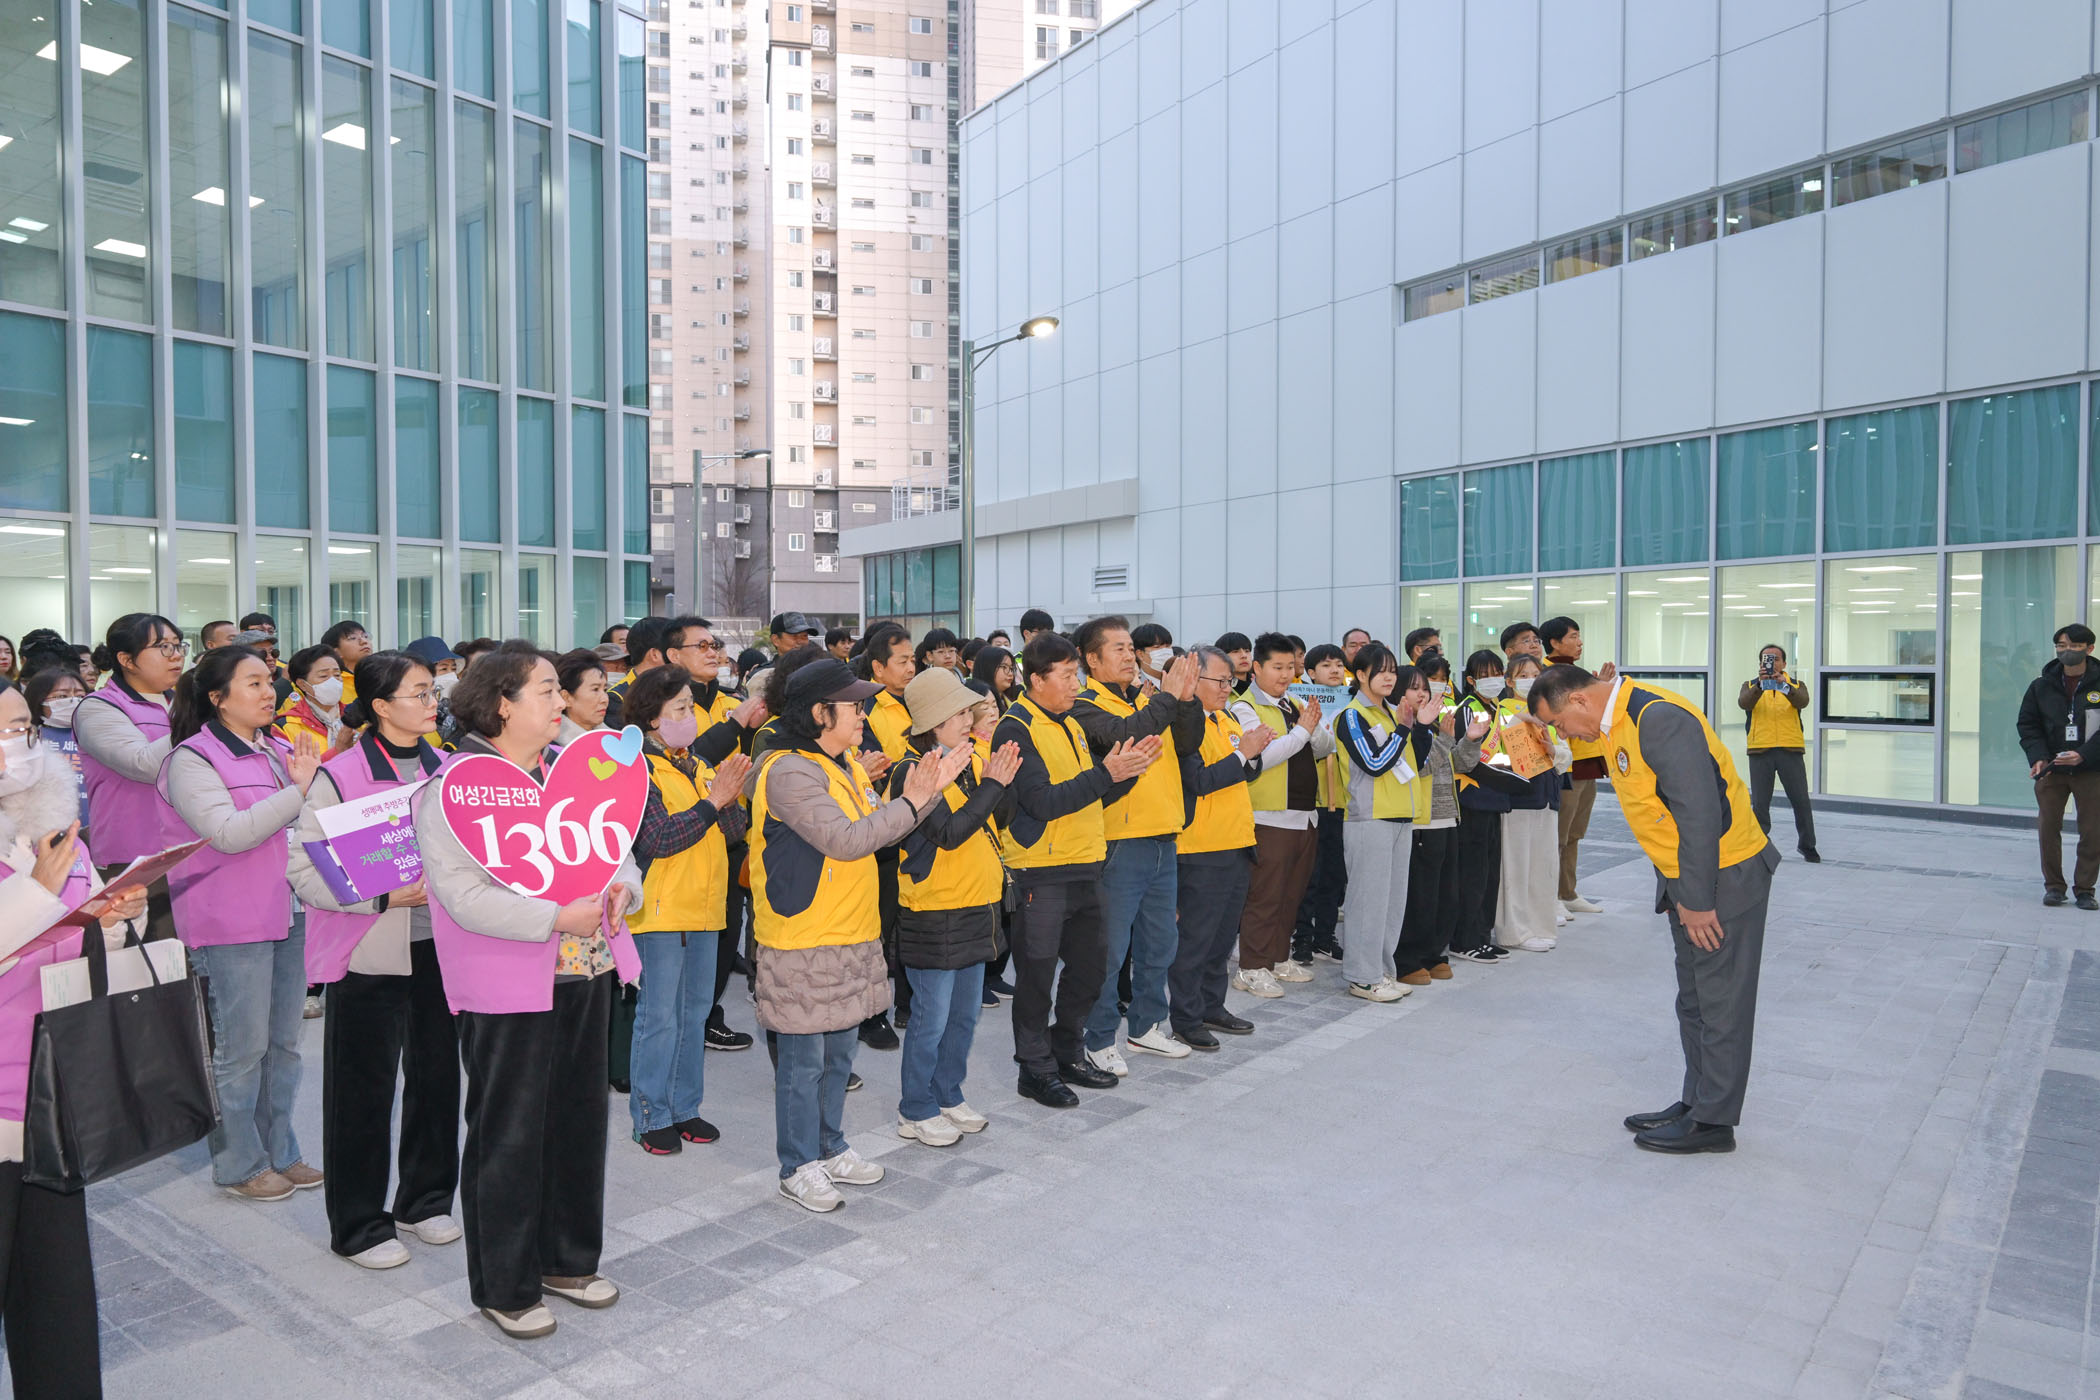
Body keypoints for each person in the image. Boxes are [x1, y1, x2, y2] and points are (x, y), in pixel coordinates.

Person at [413, 644, 644, 1339]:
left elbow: (617, 850)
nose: (561, 701)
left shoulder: (569, 768)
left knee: (579, 1122)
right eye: (546, 690)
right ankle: (505, 1285)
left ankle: (567, 1260)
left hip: (586, 969)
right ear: (502, 704)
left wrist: (623, 891)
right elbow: (460, 896)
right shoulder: (453, 787)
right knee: (508, 1133)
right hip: (507, 983)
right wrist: (554, 917)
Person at [1529, 665, 1780, 1154]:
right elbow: (1647, 801)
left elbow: (1701, 815)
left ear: (1578, 701)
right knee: (1695, 999)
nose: (1564, 733)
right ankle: (1697, 1102)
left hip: (1722, 877)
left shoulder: (1656, 717)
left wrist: (1698, 902)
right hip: (1688, 877)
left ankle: (1714, 1122)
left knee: (1721, 1002)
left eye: (1558, 723)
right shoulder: (1615, 721)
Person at [748, 659, 963, 1210]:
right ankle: (798, 1165)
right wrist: (916, 798)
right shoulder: (790, 771)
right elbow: (846, 840)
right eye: (854, 706)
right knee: (804, 1062)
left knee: (839, 1055)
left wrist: (925, 794)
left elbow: (880, 830)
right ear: (820, 713)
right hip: (803, 937)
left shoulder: (842, 765)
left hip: (850, 929)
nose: (863, 715)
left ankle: (829, 1146)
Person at [288, 652, 461, 1270]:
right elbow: (303, 869)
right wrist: (383, 897)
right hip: (369, 950)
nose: (432, 702)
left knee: (437, 1079)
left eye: (432, 691)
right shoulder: (339, 775)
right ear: (382, 706)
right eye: (419, 693)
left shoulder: (449, 768)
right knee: (363, 1090)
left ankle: (425, 1200)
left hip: (443, 948)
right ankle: (359, 1224)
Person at [0, 686, 150, 1396]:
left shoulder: (51, 823)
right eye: (1, 730)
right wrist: (37, 890)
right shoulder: (42, 856)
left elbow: (77, 936)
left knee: (54, 1297)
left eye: (22, 727)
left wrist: (115, 918)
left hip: (52, 1088)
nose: (17, 744)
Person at [161, 644, 326, 1200]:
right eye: (252, 683)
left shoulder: (277, 748)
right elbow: (229, 833)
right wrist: (298, 791)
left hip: (291, 909)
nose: (267, 692)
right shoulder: (192, 760)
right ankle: (238, 1162)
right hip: (232, 921)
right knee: (242, 1048)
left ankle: (281, 1151)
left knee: (284, 1044)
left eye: (268, 681)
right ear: (218, 697)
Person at [995, 633, 1159, 1107]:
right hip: (1040, 871)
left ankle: (1066, 1050)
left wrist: (1125, 773)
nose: (1075, 685)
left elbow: (1089, 795)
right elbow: (1043, 802)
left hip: (1086, 863)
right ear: (1036, 679)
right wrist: (1109, 773)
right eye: (1067, 676)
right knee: (1036, 979)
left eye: (1076, 675)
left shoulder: (1069, 723)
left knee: (1091, 970)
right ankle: (1034, 1068)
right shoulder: (1015, 727)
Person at [886, 669, 1020, 1145]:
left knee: (964, 1015)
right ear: (934, 720)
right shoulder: (912, 770)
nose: (971, 719)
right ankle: (915, 1107)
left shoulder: (967, 760)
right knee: (931, 1017)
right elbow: (948, 832)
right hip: (934, 910)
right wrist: (993, 785)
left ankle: (948, 1093)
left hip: (976, 904)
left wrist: (999, 781)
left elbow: (998, 819)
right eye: (961, 712)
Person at [625, 664, 752, 1154]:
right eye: (679, 708)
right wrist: (712, 803)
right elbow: (658, 838)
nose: (689, 717)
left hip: (705, 908)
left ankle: (684, 1108)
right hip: (661, 911)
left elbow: (733, 832)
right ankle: (650, 1114)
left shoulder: (696, 763)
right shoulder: (638, 768)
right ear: (652, 717)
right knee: (659, 1018)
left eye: (691, 708)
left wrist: (729, 797)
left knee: (694, 1014)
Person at [1071, 618, 1203, 1076]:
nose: (1130, 656)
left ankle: (1147, 1025)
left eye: (1132, 648)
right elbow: (1127, 733)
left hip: (1164, 834)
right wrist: (1168, 697)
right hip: (1119, 842)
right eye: (1119, 649)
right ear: (1092, 659)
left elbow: (1187, 742)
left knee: (1160, 943)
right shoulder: (1086, 705)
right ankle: (1098, 1037)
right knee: (1109, 950)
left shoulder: (1147, 700)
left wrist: (1186, 700)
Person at [1166, 647, 1271, 1049]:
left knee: (1222, 940)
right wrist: (1244, 752)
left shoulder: (1226, 718)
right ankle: (1186, 1018)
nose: (1228, 688)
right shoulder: (1184, 724)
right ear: (1193, 679)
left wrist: (1252, 752)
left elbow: (1246, 771)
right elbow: (1198, 781)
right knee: (1195, 940)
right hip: (1201, 847)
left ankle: (1212, 1006)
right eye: (1221, 681)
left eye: (1231, 681)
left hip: (1237, 842)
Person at [1228, 633, 1330, 997]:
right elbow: (1261, 757)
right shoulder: (1244, 707)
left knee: (1291, 894)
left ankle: (1277, 957)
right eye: (1277, 667)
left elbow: (1326, 746)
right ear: (1257, 668)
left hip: (1304, 814)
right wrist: (1303, 731)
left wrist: (1311, 730)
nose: (1286, 675)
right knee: (1265, 896)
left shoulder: (1295, 703)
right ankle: (1251, 968)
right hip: (1268, 816)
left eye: (1290, 667)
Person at [73, 613, 186, 940]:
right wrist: (194, 720)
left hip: (192, 848)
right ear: (127, 660)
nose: (176, 655)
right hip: (137, 858)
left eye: (178, 646)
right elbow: (143, 764)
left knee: (197, 961)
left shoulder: (179, 703)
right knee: (156, 958)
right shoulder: (99, 708)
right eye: (163, 647)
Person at [1332, 644, 1433, 1001]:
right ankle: (1363, 977)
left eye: (1392, 670)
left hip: (1401, 815)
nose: (1390, 677)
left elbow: (1415, 761)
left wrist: (1419, 727)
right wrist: (1404, 729)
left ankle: (1382, 971)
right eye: (1381, 670)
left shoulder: (1392, 713)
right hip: (1369, 818)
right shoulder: (1352, 715)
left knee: (1391, 902)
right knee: (1367, 901)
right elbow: (1374, 763)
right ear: (1361, 675)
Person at [1396, 653, 1488, 985]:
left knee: (1446, 896)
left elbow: (1460, 764)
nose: (1423, 694)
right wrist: (1445, 739)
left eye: (1426, 688)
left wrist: (1470, 740)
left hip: (1448, 818)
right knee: (1421, 897)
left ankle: (1435, 953)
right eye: (1415, 688)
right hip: (1422, 821)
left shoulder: (1432, 724)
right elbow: (1419, 767)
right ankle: (1408, 959)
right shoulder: (1403, 726)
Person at [853, 622, 917, 1048]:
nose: (911, 668)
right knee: (879, 924)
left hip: (918, 823)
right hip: (882, 827)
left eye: (914, 660)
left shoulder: (917, 700)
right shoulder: (866, 709)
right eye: (903, 661)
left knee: (911, 918)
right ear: (878, 667)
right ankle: (870, 1014)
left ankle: (908, 1003)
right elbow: (876, 766)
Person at [2018, 623, 2100, 908]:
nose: (2067, 651)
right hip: (2052, 768)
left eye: (2074, 646)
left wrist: (2084, 755)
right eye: (2061, 646)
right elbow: (2028, 725)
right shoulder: (2041, 686)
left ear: (2089, 649)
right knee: (2048, 828)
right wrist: (2038, 756)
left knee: (2093, 830)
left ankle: (2085, 889)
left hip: (2091, 769)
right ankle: (2054, 886)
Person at [1491, 654, 1569, 953]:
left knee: (1543, 867)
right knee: (1516, 870)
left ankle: (1541, 926)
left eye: (1535, 674)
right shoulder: (1502, 711)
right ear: (1510, 681)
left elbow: (1566, 755)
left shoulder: (1549, 711)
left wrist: (1553, 750)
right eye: (1523, 675)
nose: (1530, 680)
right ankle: (1515, 931)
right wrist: (1519, 719)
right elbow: (1495, 751)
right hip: (1518, 800)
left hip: (1547, 799)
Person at [1539, 616, 1611, 914]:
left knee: (1575, 833)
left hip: (1588, 760)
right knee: (1558, 834)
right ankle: (1550, 896)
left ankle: (1568, 892)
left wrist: (1601, 688)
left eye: (1579, 636)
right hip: (1565, 764)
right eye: (1573, 637)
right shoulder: (1545, 675)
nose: (1579, 642)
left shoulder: (1577, 672)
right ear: (1555, 642)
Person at [1450, 652, 1518, 965]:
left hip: (1495, 798)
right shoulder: (1467, 708)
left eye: (1497, 672)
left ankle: (1481, 935)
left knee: (1490, 873)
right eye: (1485, 674)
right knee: (1473, 873)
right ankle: (1464, 939)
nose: (1493, 679)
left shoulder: (1499, 708)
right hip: (1473, 798)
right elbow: (1464, 758)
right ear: (1470, 680)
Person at [1291, 642, 1350, 966]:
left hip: (1342, 801)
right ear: (1311, 673)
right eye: (1326, 665)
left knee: (1334, 875)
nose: (1335, 670)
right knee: (1308, 875)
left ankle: (1325, 937)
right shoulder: (1300, 702)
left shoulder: (1352, 702)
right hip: (1311, 800)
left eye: (1339, 664)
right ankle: (1302, 937)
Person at [1739, 644, 1820, 865]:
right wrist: (1760, 685)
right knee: (1760, 804)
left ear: (1784, 663)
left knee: (1801, 801)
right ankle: (1759, 846)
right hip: (1760, 750)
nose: (1772, 663)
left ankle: (1807, 845)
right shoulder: (1750, 685)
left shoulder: (1796, 685)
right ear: (1760, 663)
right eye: (1767, 659)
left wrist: (1783, 685)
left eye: (1776, 659)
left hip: (1790, 749)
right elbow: (1744, 703)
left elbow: (1802, 701)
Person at [22, 666, 88, 829]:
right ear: (39, 699)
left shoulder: (99, 736)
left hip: (94, 824)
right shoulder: (25, 739)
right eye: (62, 696)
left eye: (80, 695)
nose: (73, 701)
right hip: (41, 827)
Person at [602, 616, 672, 730]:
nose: (679, 656)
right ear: (655, 654)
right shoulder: (617, 699)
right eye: (673, 650)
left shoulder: (679, 688)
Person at [277, 644, 346, 750]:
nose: (333, 681)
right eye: (323, 676)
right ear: (302, 684)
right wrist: (339, 749)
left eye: (337, 675)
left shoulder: (357, 717)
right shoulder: (286, 726)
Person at [556, 648, 611, 746]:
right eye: (595, 689)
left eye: (605, 690)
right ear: (566, 698)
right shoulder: (555, 748)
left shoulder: (613, 740)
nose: (605, 699)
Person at [320, 621, 374, 704]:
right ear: (336, 652)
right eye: (352, 638)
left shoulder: (379, 676)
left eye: (365, 636)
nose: (364, 641)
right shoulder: (332, 683)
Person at [972, 645, 1019, 711]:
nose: (1010, 673)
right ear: (987, 668)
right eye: (1004, 667)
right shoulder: (975, 704)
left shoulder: (1014, 700)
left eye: (1011, 668)